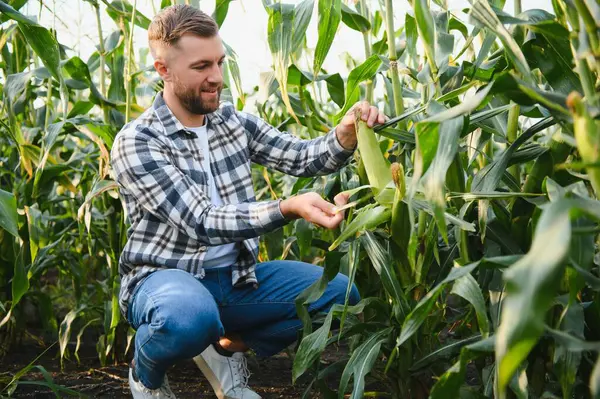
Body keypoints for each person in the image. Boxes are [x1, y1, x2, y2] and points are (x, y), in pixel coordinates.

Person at [109, 4, 387, 399]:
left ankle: (228, 349)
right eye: (201, 66)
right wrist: (286, 208)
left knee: (341, 295)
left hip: (236, 279)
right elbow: (201, 220)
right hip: (166, 281)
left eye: (220, 62)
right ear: (163, 70)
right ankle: (146, 373)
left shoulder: (232, 123)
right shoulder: (138, 141)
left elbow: (302, 157)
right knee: (187, 317)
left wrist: (344, 135)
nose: (217, 78)